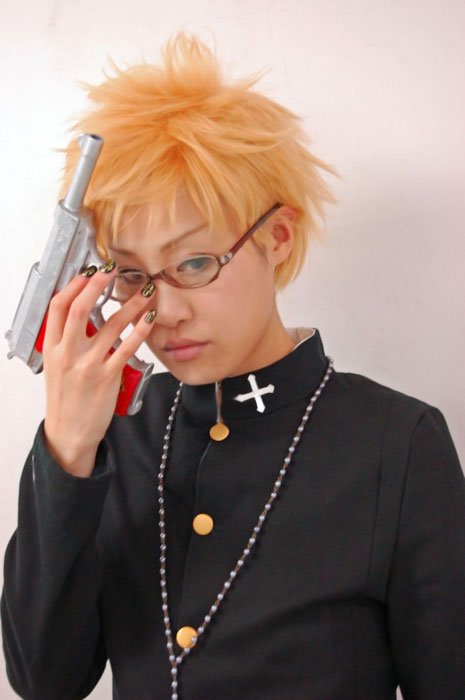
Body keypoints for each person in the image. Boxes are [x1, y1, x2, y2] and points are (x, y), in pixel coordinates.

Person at [2, 33, 464, 700]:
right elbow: (45, 680)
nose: (165, 312)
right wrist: (67, 452)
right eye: (131, 275)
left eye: (194, 263)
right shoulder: (115, 437)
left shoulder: (398, 442)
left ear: (277, 237)